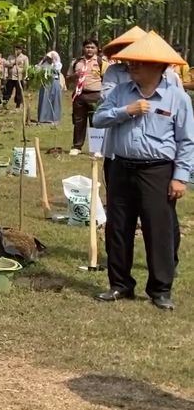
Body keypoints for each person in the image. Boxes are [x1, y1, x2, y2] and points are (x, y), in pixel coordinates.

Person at [92, 32, 190, 311]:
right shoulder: (121, 93)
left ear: (158, 67)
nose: (131, 66)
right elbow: (99, 118)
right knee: (118, 227)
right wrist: (126, 111)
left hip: (157, 171)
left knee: (158, 230)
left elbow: (187, 140)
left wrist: (180, 176)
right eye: (130, 62)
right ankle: (120, 284)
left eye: (139, 63)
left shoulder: (177, 98)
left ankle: (160, 289)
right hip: (121, 167)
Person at [68, 38, 108, 155]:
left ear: (97, 49)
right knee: (78, 121)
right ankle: (77, 146)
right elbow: (68, 78)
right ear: (83, 48)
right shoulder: (76, 62)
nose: (89, 49)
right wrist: (75, 75)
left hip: (95, 95)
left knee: (95, 122)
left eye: (92, 47)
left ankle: (97, 148)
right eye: (87, 47)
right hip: (79, 95)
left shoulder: (101, 62)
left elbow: (107, 79)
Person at [36, 51, 63, 124]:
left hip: (54, 82)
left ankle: (54, 118)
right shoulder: (44, 64)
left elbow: (57, 69)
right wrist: (42, 61)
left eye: (50, 58)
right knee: (44, 99)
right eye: (48, 58)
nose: (49, 59)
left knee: (54, 100)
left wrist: (54, 61)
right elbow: (37, 69)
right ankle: (43, 118)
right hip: (46, 83)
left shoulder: (58, 64)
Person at [1, 45, 29, 110]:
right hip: (11, 77)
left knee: (19, 92)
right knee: (7, 91)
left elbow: (26, 67)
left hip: (19, 77)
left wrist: (25, 77)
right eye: (15, 49)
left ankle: (18, 105)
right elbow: (6, 64)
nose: (16, 51)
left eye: (18, 49)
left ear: (21, 50)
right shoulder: (10, 57)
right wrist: (12, 63)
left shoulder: (24, 57)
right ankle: (4, 103)